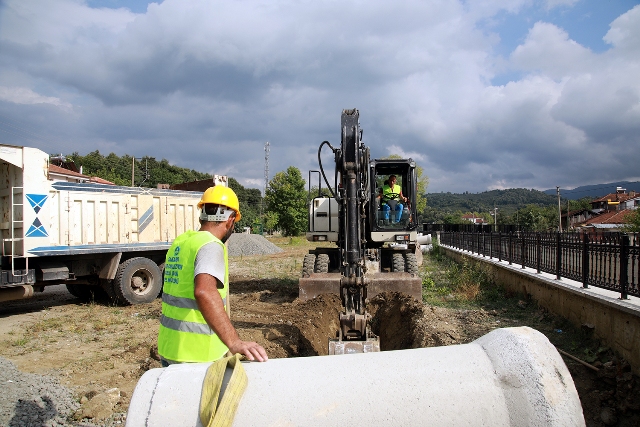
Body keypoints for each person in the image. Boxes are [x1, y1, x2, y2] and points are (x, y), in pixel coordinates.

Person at [158, 185, 268, 366]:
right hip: (197, 355)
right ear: (231, 220)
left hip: (170, 348)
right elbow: (204, 292)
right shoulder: (210, 245)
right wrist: (234, 342)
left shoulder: (182, 242)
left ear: (202, 214)